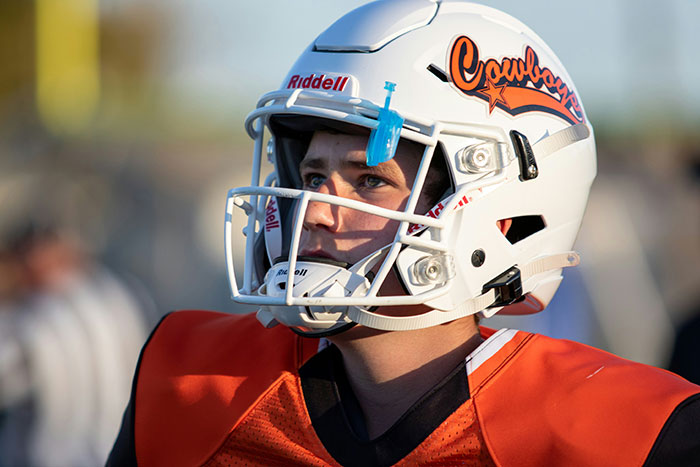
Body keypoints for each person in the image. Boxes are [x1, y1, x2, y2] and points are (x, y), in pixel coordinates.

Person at [108, 1, 700, 465]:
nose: (314, 211)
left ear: (494, 207)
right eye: (312, 175)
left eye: (369, 180)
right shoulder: (188, 382)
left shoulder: (633, 432)